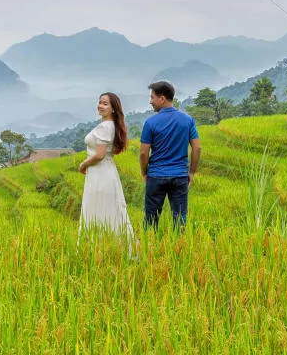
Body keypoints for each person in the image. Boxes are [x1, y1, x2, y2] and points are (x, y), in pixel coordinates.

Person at [139, 81, 201, 230]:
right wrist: (191, 172)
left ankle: (150, 249)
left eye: (152, 97)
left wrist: (144, 173)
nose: (150, 101)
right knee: (180, 219)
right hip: (180, 176)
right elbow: (197, 148)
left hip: (156, 175)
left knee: (151, 219)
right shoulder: (188, 120)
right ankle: (179, 249)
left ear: (162, 98)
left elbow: (143, 153)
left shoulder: (150, 122)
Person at [78, 92, 134, 241]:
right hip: (104, 171)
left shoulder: (105, 127)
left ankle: (98, 246)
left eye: (105, 103)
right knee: (108, 210)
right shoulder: (111, 125)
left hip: (100, 172)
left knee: (98, 210)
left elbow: (100, 154)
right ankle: (109, 246)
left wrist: (83, 164)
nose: (100, 106)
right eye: (100, 102)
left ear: (113, 109)